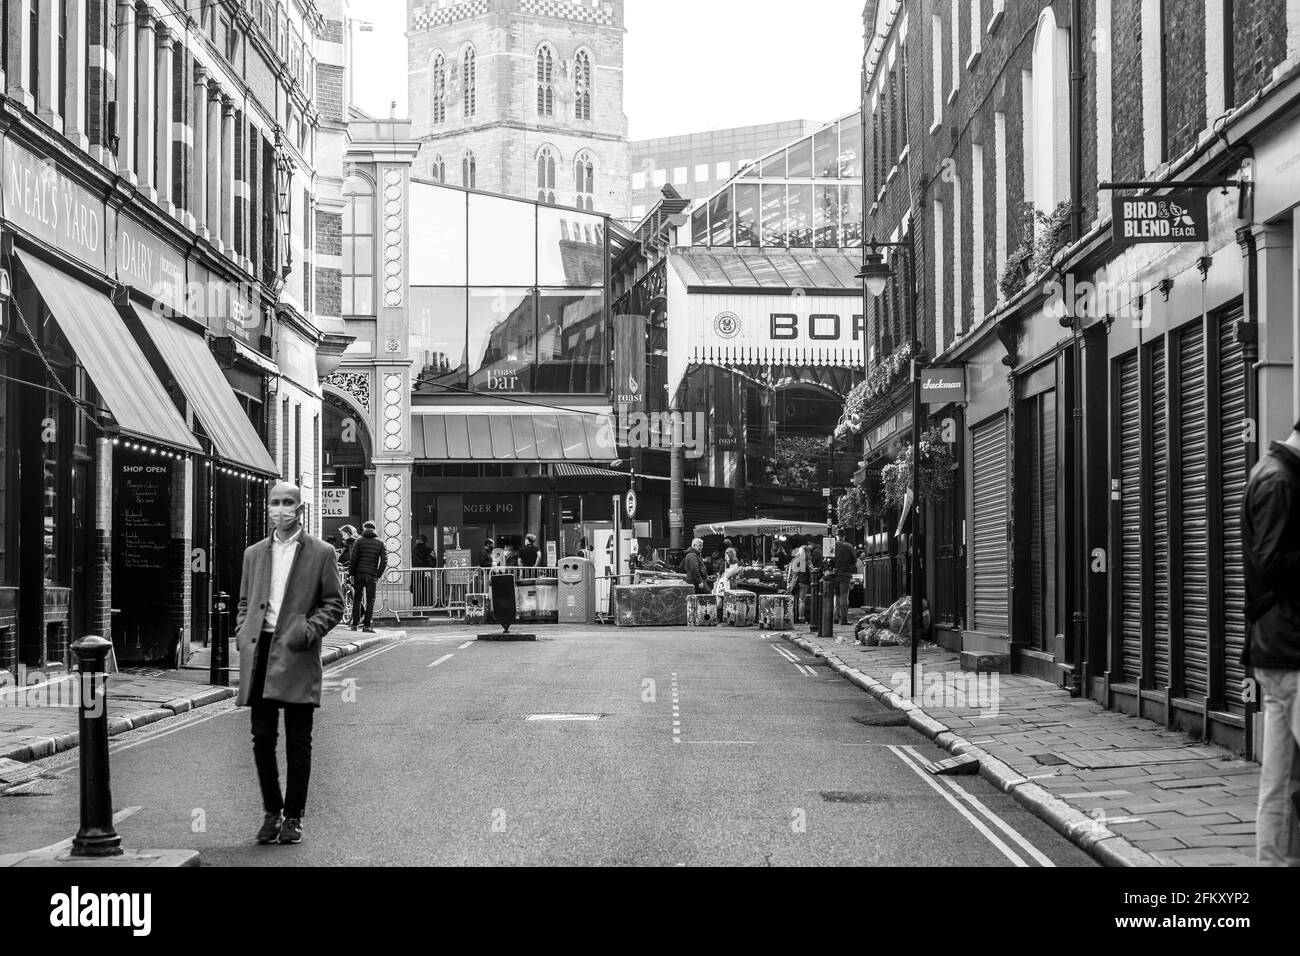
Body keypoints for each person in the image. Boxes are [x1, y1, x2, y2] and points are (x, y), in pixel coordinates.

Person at [235, 482, 344, 847]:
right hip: (260, 650)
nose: (280, 509)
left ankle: (294, 818)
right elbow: (244, 601)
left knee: (299, 742)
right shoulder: (253, 553)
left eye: (287, 503)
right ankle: (271, 813)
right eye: (275, 503)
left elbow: (334, 603)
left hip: (297, 650)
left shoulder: (322, 552)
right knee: (262, 739)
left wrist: (308, 631)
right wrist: (242, 630)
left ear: (299, 508)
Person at [1242, 419, 1300, 866]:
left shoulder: (1275, 473)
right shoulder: (1279, 480)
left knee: (1280, 781)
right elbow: (1273, 563)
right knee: (1280, 783)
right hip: (1290, 650)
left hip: (1279, 648)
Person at [348, 521, 388, 633]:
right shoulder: (380, 543)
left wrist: (351, 574)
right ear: (374, 529)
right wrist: (378, 574)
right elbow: (384, 561)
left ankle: (355, 625)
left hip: (359, 574)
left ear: (365, 528)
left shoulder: (359, 541)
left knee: (357, 600)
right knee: (370, 601)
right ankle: (366, 626)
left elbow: (353, 559)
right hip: (371, 575)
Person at [831, 537, 857, 626]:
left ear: (837, 536)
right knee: (844, 596)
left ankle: (835, 617)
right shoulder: (849, 546)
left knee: (836, 595)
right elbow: (854, 559)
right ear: (844, 536)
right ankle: (843, 619)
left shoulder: (832, 545)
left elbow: (828, 559)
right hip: (845, 574)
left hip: (834, 574)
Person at [787, 539, 810, 624]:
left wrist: (790, 583)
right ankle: (801, 617)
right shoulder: (807, 561)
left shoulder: (795, 560)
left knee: (795, 600)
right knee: (802, 600)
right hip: (804, 581)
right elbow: (812, 570)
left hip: (795, 582)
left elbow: (792, 572)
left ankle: (793, 617)